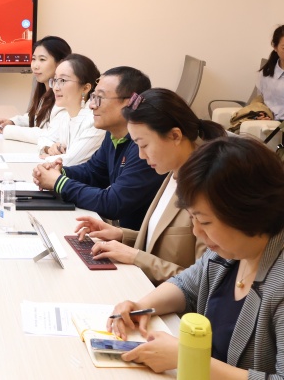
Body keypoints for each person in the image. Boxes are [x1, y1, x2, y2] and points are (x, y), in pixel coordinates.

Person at [108, 137, 284, 377]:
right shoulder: (230, 253)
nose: (196, 232)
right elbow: (186, 286)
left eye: (205, 222)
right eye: (192, 218)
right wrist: (141, 307)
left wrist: (189, 357)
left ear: (248, 212)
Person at [74, 88, 225, 285]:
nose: (141, 155)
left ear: (175, 136)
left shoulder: (210, 187)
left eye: (144, 145)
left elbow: (205, 282)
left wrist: (136, 257)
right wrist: (122, 235)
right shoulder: (173, 170)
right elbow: (163, 240)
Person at [32, 66, 164, 230]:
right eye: (93, 97)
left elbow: (113, 203)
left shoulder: (144, 147)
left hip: (136, 241)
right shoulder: (113, 134)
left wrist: (59, 182)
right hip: (121, 235)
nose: (92, 105)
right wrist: (61, 171)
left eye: (100, 98)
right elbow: (93, 172)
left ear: (130, 103)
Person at [0, 36, 72, 143]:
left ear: (61, 63)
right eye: (34, 59)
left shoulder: (64, 95)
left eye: (42, 59)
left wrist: (9, 130)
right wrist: (13, 122)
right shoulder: (44, 90)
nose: (35, 66)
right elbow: (37, 118)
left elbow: (50, 134)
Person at [37, 53, 104, 166]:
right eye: (55, 80)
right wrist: (50, 148)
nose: (56, 88)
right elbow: (43, 137)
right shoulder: (65, 114)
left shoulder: (95, 119)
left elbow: (71, 160)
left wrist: (49, 158)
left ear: (85, 88)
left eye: (63, 80)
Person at [257, 24, 284, 120]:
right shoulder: (266, 74)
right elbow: (259, 102)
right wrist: (262, 115)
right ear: (275, 47)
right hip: (270, 123)